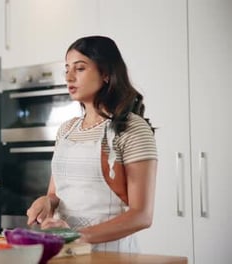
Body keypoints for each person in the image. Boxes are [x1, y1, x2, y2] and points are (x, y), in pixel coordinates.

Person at [26, 36, 157, 253]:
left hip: (111, 254)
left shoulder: (131, 129)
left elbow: (141, 215)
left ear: (106, 73)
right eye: (67, 68)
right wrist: (46, 202)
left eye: (80, 68)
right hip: (66, 252)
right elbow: (56, 193)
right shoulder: (66, 130)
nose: (69, 76)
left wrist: (76, 236)